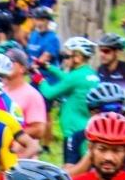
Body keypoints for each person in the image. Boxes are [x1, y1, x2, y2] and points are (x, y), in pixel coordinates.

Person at [39, 36, 100, 165]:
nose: (64, 60)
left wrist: (39, 79)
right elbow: (68, 79)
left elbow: (49, 93)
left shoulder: (75, 77)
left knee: (70, 172)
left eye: (66, 56)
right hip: (85, 127)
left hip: (73, 131)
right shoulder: (90, 74)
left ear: (77, 58)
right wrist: (49, 67)